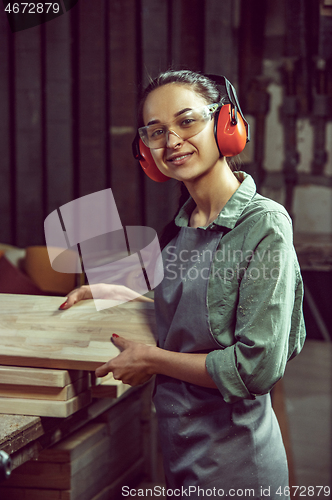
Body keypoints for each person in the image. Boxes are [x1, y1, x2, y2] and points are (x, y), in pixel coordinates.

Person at [60, 70, 306, 499]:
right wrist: (122, 295)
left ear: (225, 124)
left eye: (187, 121)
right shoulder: (184, 226)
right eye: (157, 131)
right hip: (181, 457)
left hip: (237, 469)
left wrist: (152, 360)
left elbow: (256, 368)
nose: (171, 141)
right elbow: (200, 312)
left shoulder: (264, 225)